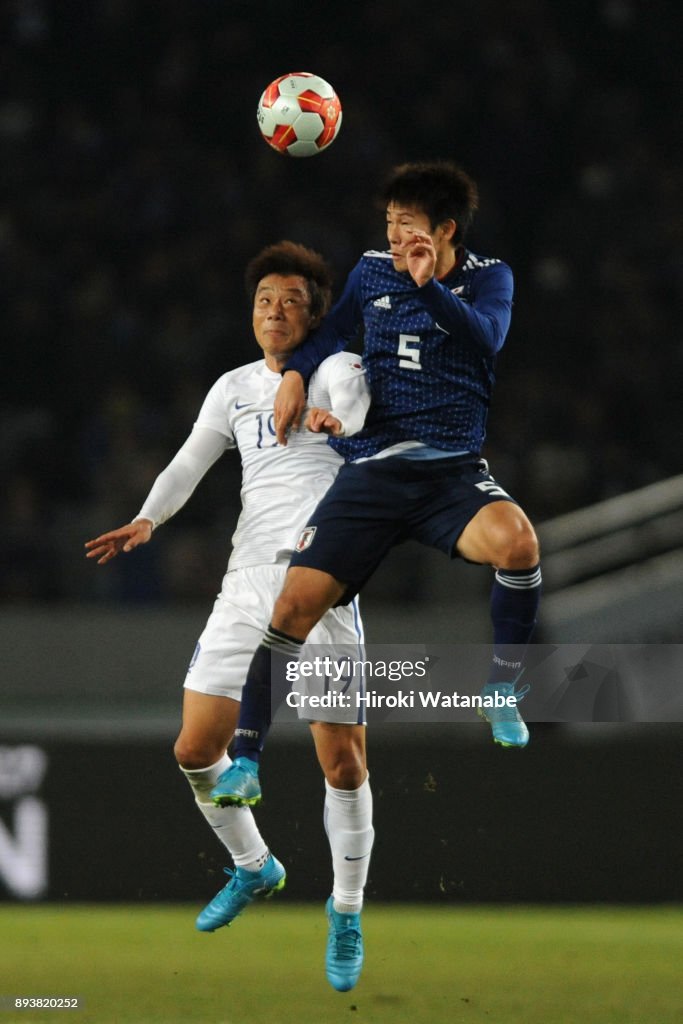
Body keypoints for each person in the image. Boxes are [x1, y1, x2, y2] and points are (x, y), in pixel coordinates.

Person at [85, 241, 374, 994]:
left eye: (288, 302)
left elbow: (353, 410)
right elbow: (189, 461)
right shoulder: (233, 387)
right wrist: (149, 518)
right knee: (192, 748)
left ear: (314, 315)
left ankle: (345, 911)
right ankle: (255, 867)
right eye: (262, 301)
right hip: (246, 579)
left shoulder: (342, 370)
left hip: (320, 575)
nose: (272, 313)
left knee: (341, 764)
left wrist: (323, 407)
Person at [211, 160, 542, 811]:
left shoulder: (488, 278)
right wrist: (294, 376)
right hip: (372, 472)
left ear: (445, 230)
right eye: (388, 224)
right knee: (289, 611)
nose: (393, 239)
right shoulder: (369, 270)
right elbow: (327, 336)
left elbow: (486, 340)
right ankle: (245, 760)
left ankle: (501, 691)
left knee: (519, 545)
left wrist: (426, 289)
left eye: (407, 226)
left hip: (450, 472)